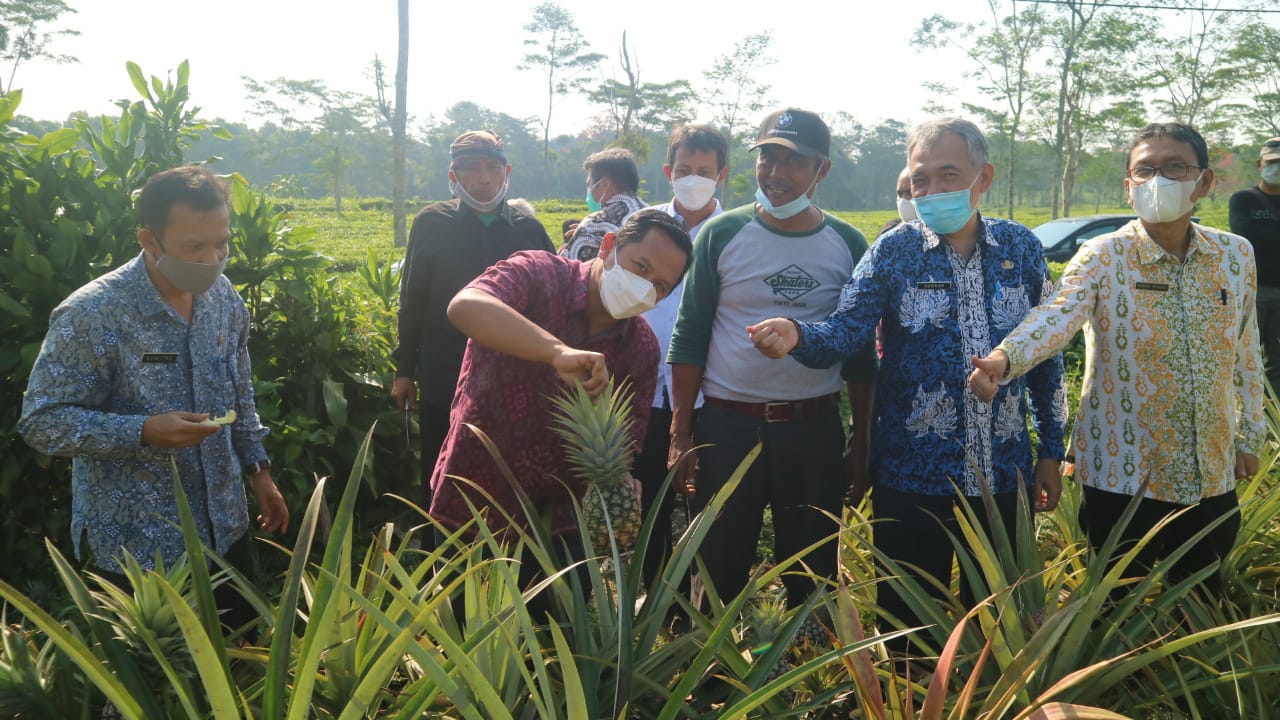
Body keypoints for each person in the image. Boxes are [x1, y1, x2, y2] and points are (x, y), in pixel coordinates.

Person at [747, 118, 1066, 662]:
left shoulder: (1020, 247)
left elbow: (1045, 354)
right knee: (908, 626)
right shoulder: (893, 251)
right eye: (921, 179)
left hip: (1003, 470)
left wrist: (1051, 451)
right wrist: (798, 333)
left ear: (982, 177)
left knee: (1000, 624)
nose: (932, 190)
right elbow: (848, 333)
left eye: (949, 175)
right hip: (912, 473)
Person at [970, 122, 1266, 596]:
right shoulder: (1104, 255)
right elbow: (1057, 316)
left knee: (1201, 598)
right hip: (1122, 472)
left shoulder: (1234, 254)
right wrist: (1004, 359)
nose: (1158, 181)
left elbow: (1246, 350)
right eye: (1144, 170)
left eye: (1175, 168)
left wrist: (1250, 433)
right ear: (1129, 188)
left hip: (1209, 466)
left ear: (1204, 182)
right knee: (1114, 602)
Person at [19, 165, 290, 611]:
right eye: (193, 247)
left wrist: (259, 471)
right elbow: (42, 422)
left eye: (221, 242)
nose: (211, 259)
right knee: (149, 676)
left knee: (234, 663)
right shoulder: (94, 313)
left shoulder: (224, 298)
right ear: (149, 240)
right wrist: (142, 431)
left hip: (225, 528)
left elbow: (240, 391)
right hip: (136, 549)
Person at [667, 108, 878, 611]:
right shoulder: (721, 233)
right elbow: (690, 333)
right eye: (768, 158)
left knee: (813, 570)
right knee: (716, 563)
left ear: (821, 170)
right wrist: (680, 434)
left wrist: (862, 441)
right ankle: (710, 678)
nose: (777, 174)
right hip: (727, 427)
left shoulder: (848, 243)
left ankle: (810, 675)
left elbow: (860, 352)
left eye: (794, 162)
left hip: (811, 429)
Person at [430, 209, 693, 595]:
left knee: (557, 641)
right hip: (476, 498)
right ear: (608, 247)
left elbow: (626, 438)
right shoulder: (539, 274)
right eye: (639, 266)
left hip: (563, 522)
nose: (644, 287)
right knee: (465, 633)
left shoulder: (640, 347)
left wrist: (622, 478)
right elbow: (466, 306)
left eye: (660, 286)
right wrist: (555, 351)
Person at [391, 131, 554, 503]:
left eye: (492, 167)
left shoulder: (528, 229)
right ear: (453, 177)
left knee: (506, 471)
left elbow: (551, 301)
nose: (484, 178)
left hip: (511, 374)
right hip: (443, 371)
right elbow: (412, 298)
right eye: (471, 169)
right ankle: (439, 551)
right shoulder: (432, 223)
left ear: (506, 171)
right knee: (441, 467)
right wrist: (404, 370)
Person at [635, 124, 728, 607]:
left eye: (705, 172)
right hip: (646, 394)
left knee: (702, 502)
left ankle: (693, 610)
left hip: (710, 395)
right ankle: (651, 598)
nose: (695, 179)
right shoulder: (645, 228)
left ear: (722, 176)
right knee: (650, 501)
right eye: (686, 170)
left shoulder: (733, 233)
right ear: (669, 173)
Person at [1228, 137, 1280, 394]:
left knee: (1277, 359)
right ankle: (1248, 408)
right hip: (1253, 292)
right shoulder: (1243, 200)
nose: (1277, 168)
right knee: (1246, 355)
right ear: (1260, 164)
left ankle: (1274, 416)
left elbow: (1261, 239)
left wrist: (1266, 236)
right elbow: (1244, 239)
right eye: (1273, 163)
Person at [561, 147, 646, 262]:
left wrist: (583, 232)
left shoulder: (593, 225)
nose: (589, 190)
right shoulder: (657, 215)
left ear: (604, 184)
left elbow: (566, 272)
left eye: (589, 185)